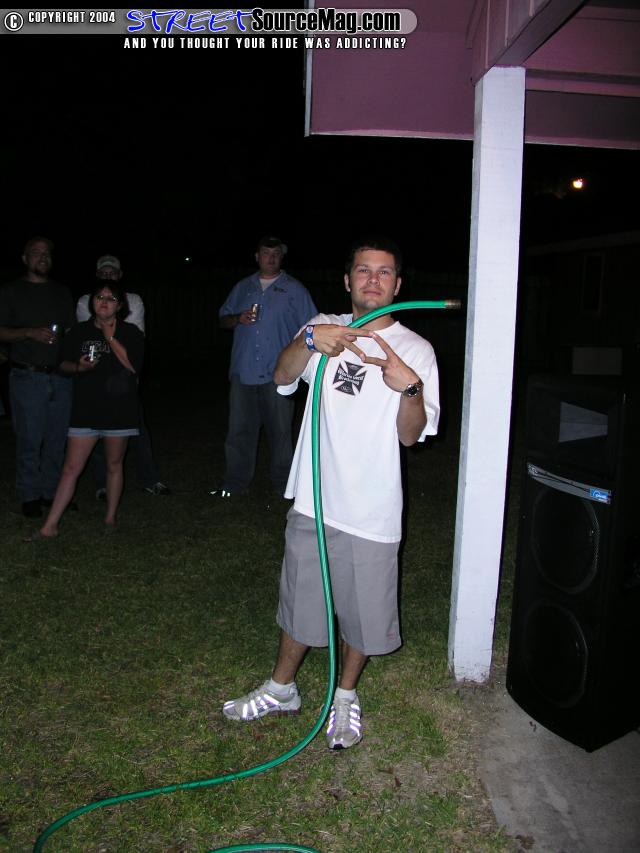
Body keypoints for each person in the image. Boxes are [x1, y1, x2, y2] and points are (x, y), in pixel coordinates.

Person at [222, 237, 440, 750]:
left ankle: (345, 696)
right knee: (300, 602)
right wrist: (309, 340)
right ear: (347, 280)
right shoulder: (321, 325)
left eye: (383, 272)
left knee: (362, 616)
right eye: (363, 270)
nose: (372, 279)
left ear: (398, 285)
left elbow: (412, 435)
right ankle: (282, 688)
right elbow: (281, 375)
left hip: (372, 508)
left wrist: (409, 388)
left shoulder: (416, 350)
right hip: (313, 500)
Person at [29, 280, 144, 539]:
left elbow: (133, 366)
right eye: (100, 297)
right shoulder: (78, 332)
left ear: (120, 305)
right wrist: (80, 367)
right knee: (71, 467)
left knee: (114, 464)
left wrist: (110, 337)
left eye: (111, 298)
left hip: (119, 409)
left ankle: (110, 518)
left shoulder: (131, 332)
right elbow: (62, 365)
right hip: (86, 409)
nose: (104, 302)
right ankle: (50, 526)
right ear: (92, 302)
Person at [212, 236, 317, 498]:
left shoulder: (295, 289)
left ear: (282, 257)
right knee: (239, 431)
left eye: (276, 253)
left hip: (279, 373)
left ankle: (284, 485)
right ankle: (235, 483)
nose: (271, 257)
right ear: (257, 256)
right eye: (266, 253)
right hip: (244, 370)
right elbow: (223, 319)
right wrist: (237, 318)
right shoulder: (242, 287)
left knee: (280, 432)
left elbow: (313, 327)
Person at [76, 255, 170, 498]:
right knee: (97, 430)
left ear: (120, 275)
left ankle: (150, 479)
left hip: (124, 375)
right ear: (97, 276)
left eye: (112, 272)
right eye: (103, 272)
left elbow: (135, 339)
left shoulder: (134, 300)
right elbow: (87, 336)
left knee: (137, 429)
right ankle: (102, 485)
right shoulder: (85, 301)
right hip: (95, 377)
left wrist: (111, 337)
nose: (108, 276)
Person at [0, 237, 74, 518]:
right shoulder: (10, 291)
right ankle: (29, 495)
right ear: (24, 258)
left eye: (46, 253)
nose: (42, 257)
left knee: (57, 439)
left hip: (61, 377)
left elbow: (71, 331)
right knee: (29, 440)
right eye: (36, 252)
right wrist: (29, 333)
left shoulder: (61, 292)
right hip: (27, 376)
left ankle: (50, 492)